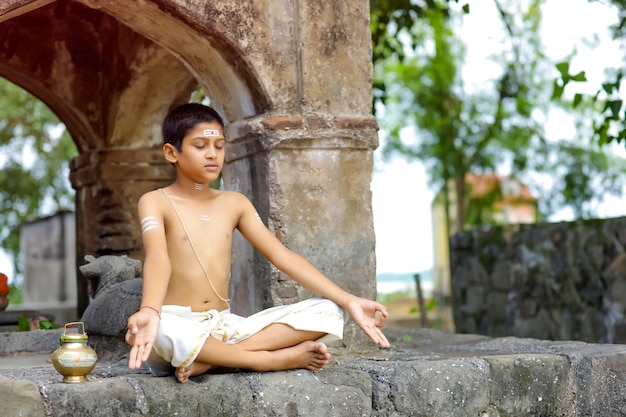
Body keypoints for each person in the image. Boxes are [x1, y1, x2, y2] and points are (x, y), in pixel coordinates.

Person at [125, 103, 389, 383]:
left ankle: (212, 360)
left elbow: (282, 256)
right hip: (179, 326)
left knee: (330, 310)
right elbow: (157, 258)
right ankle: (266, 360)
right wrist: (150, 311)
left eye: (219, 145)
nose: (212, 154)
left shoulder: (234, 202)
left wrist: (349, 300)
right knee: (153, 330)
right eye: (200, 145)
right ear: (171, 153)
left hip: (224, 325)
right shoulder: (155, 201)